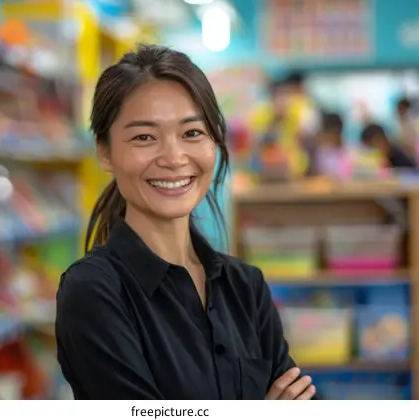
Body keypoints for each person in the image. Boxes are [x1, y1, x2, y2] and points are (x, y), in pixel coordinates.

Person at [55, 44, 315, 400]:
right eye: (144, 137)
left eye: (192, 133)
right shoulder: (93, 292)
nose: (174, 158)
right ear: (105, 152)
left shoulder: (246, 287)